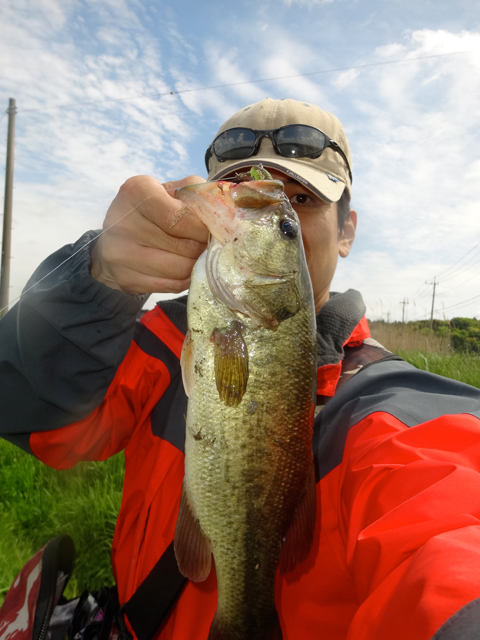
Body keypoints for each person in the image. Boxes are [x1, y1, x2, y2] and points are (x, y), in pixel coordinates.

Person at [1, 98, 480, 640]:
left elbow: (449, 534)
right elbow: (37, 422)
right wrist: (96, 281)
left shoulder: (393, 413)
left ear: (346, 231)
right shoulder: (155, 342)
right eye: (236, 189)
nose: (276, 208)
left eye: (300, 201)